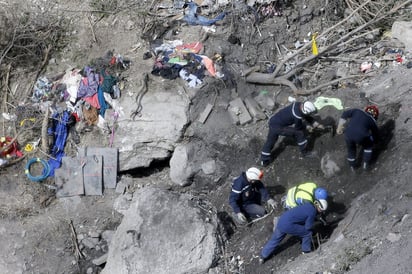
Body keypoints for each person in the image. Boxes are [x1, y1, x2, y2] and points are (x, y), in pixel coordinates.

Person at [259, 199, 328, 264]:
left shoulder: (308, 204)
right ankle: (306, 251)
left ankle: (262, 256)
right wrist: (313, 231)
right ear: (319, 207)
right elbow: (308, 227)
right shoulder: (312, 212)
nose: (321, 212)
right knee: (307, 233)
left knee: (275, 239)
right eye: (322, 210)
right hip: (288, 225)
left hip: (282, 220)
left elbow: (302, 216)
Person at [260, 101, 324, 166]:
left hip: (273, 121)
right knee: (299, 133)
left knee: (270, 141)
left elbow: (305, 114)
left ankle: (264, 160)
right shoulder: (297, 116)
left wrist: (314, 123)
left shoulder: (298, 104)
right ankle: (305, 152)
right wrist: (307, 126)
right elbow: (298, 127)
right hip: (278, 127)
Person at [336, 105, 379, 171]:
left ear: (366, 110)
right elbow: (376, 134)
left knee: (351, 150)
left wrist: (339, 126)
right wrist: (376, 142)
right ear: (375, 116)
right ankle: (365, 165)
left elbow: (345, 114)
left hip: (348, 133)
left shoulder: (357, 111)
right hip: (361, 135)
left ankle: (352, 167)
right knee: (368, 146)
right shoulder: (372, 121)